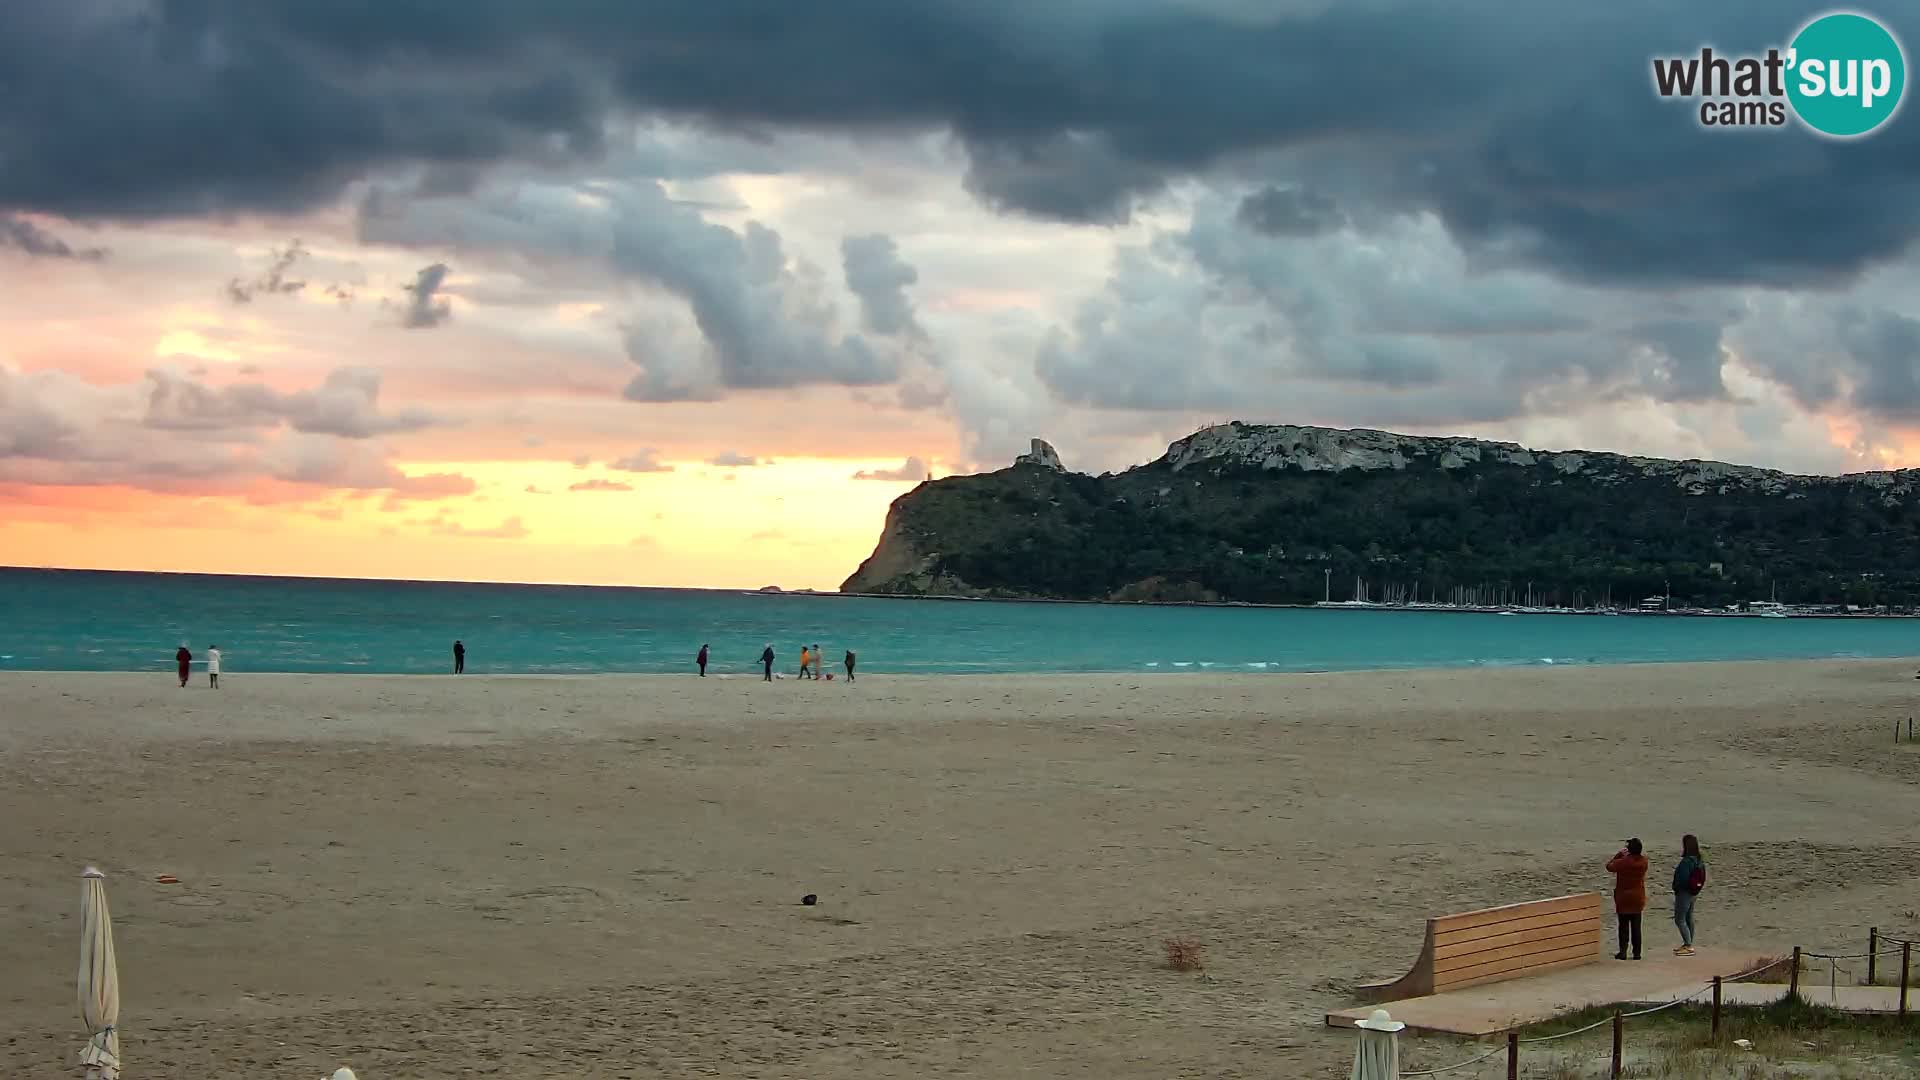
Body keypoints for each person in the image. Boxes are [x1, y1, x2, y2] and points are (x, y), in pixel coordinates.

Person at [1605, 838, 1648, 960]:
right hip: (1638, 896)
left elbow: (1609, 866)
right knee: (1636, 927)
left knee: (1623, 926)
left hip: (1623, 897)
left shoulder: (1623, 862)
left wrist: (1619, 854)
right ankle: (1637, 953)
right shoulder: (1644, 861)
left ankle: (1623, 952)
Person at [1672, 834, 1707, 955]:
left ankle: (1688, 945)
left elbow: (1682, 878)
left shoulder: (1687, 861)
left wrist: (1676, 887)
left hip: (1684, 892)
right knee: (1688, 917)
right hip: (1694, 892)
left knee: (1679, 919)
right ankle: (1689, 943)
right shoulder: (1699, 860)